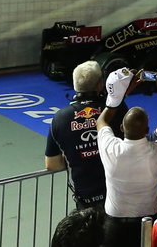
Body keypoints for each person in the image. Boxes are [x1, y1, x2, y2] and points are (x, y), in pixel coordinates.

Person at [97, 68, 157, 247]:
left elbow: (102, 121)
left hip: (114, 223)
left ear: (121, 128)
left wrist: (120, 94)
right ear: (146, 130)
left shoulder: (110, 148)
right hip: (146, 223)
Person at [45, 60, 110, 208]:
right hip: (118, 195)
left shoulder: (60, 118)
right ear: (100, 84)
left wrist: (77, 154)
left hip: (85, 200)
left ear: (75, 85)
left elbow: (52, 164)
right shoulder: (114, 110)